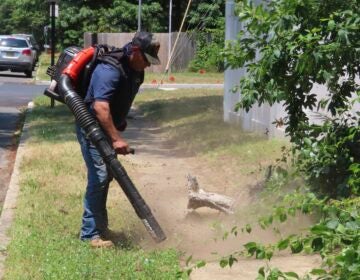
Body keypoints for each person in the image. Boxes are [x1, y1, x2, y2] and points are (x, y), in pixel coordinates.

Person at [75, 31, 161, 248]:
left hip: (104, 128)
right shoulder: (109, 70)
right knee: (100, 177)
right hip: (91, 128)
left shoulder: (136, 70)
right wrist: (116, 139)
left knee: (106, 177)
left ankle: (100, 229)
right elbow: (100, 107)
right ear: (134, 51)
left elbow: (120, 99)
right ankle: (89, 235)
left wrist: (120, 121)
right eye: (146, 59)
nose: (148, 65)